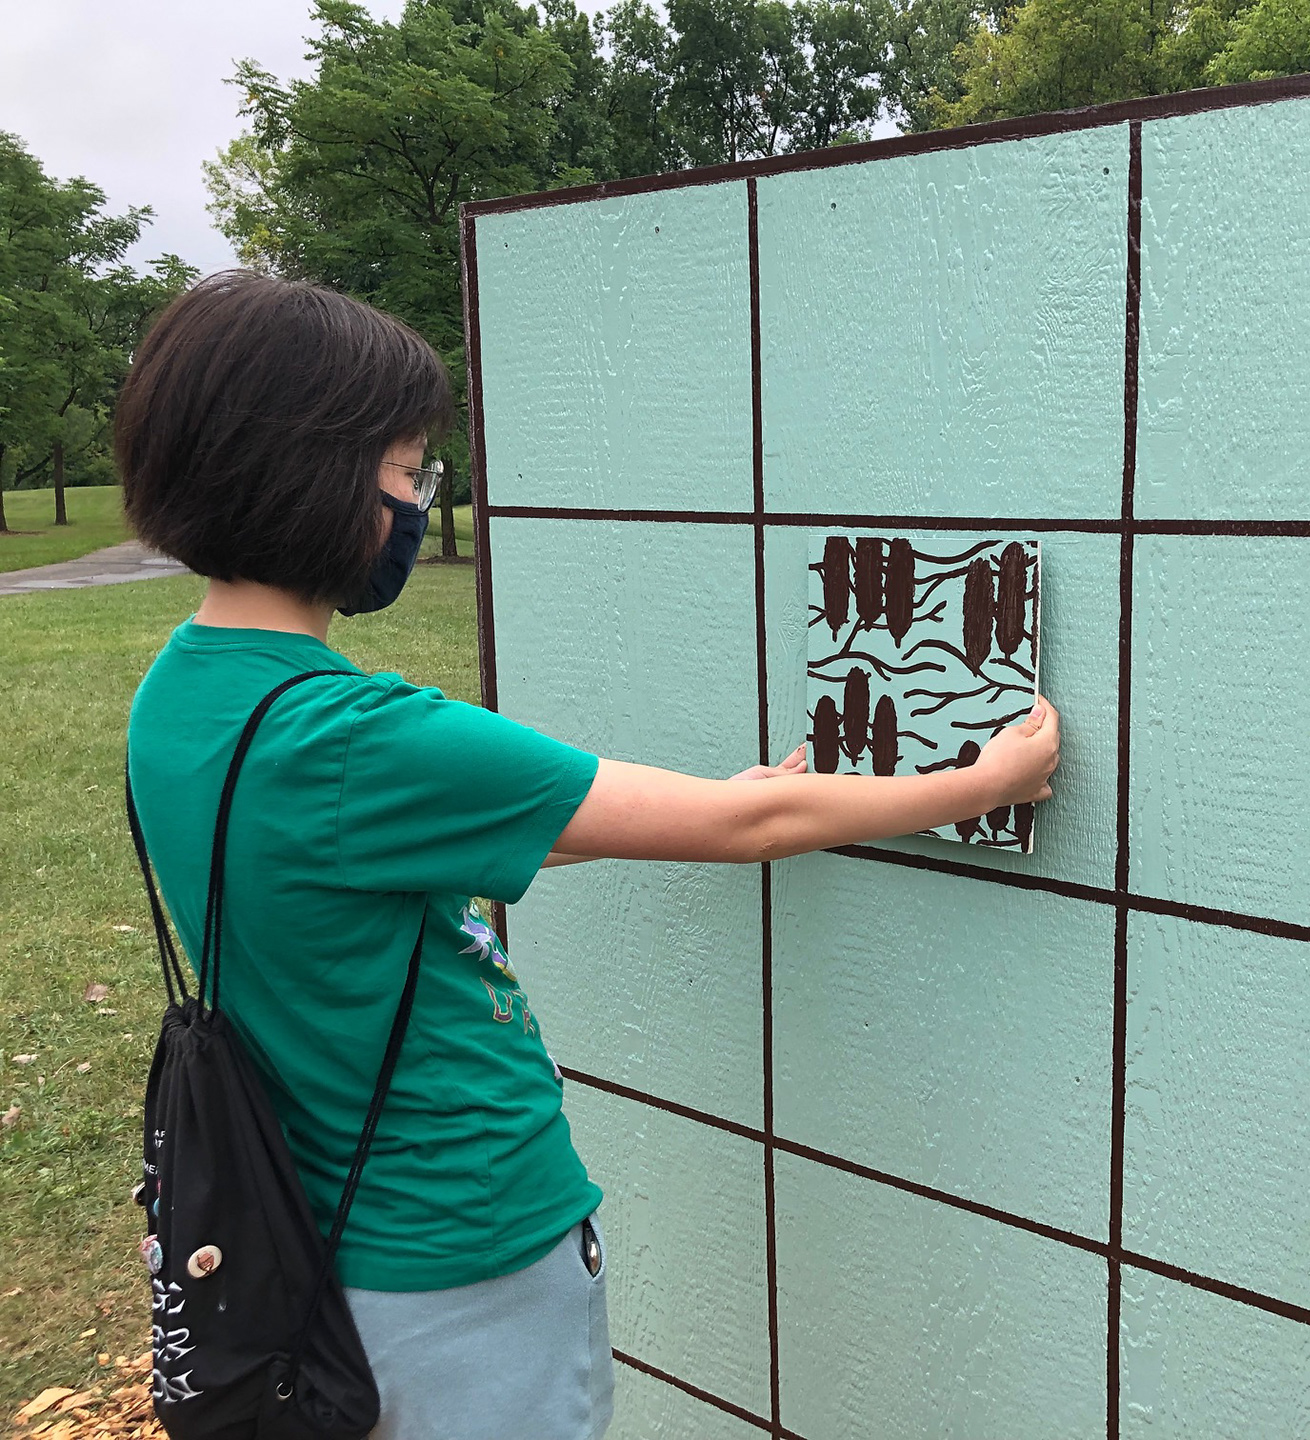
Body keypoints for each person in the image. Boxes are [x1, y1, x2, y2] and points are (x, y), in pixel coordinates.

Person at [117, 270, 1061, 1440]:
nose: (417, 502)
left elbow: (350, 858)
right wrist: (982, 782)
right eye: (409, 474)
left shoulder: (181, 698)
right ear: (315, 476)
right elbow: (749, 830)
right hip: (462, 1255)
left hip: (319, 1238)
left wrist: (704, 803)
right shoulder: (360, 739)